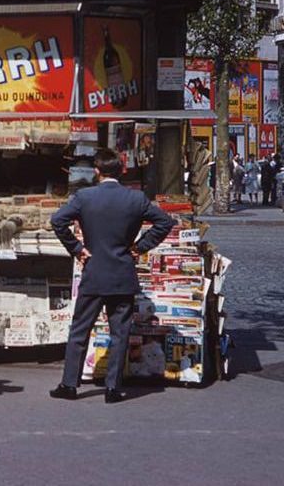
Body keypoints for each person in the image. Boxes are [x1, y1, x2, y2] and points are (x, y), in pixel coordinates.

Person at [49, 149, 174, 404]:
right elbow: (165, 222)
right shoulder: (135, 199)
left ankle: (69, 384)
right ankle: (113, 388)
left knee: (80, 331)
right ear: (121, 171)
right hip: (122, 274)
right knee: (120, 333)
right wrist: (139, 246)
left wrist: (77, 249)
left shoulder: (84, 197)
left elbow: (57, 221)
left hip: (94, 273)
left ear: (97, 171)